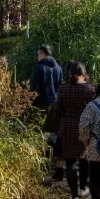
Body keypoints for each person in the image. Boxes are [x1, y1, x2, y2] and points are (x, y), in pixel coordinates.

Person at [55, 61, 96, 199]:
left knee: (70, 161)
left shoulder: (64, 88)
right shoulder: (91, 90)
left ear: (69, 73)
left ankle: (74, 197)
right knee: (84, 159)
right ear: (83, 74)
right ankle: (83, 188)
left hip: (68, 127)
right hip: (85, 127)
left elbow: (59, 108)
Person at [31, 45, 64, 181]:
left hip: (42, 105)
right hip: (56, 106)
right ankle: (57, 166)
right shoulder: (59, 68)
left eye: (38, 54)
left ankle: (43, 164)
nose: (37, 57)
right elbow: (61, 87)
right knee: (55, 135)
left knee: (41, 135)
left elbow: (34, 89)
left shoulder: (39, 68)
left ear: (43, 54)